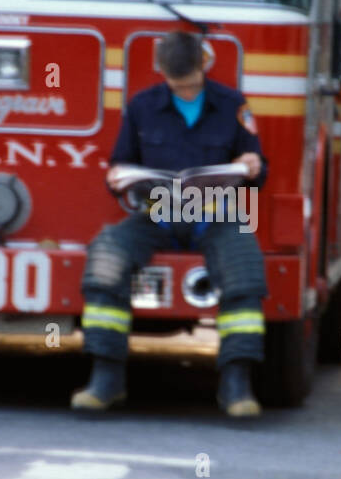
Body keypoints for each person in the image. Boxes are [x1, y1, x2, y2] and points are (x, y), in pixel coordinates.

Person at [72, 31, 268, 417]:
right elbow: (120, 162)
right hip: (156, 214)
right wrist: (117, 179)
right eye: (175, 84)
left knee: (243, 270)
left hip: (214, 217)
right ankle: (105, 381)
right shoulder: (142, 107)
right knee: (106, 257)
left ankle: (236, 388)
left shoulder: (233, 106)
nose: (183, 89)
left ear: (204, 65)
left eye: (190, 83)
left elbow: (258, 173)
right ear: (160, 70)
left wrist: (253, 167)